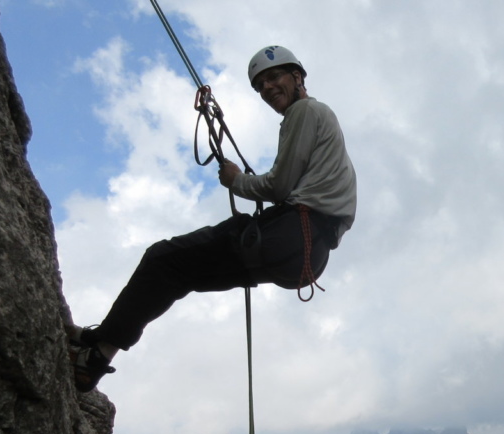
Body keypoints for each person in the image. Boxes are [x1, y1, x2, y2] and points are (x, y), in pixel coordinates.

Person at [68, 45, 357, 392]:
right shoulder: (319, 119)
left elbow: (279, 185)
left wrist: (237, 181)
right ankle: (98, 344)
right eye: (260, 84)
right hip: (308, 254)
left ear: (297, 77)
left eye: (274, 77)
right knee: (178, 272)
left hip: (293, 232)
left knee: (163, 259)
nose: (267, 88)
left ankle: (98, 352)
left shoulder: (305, 111)